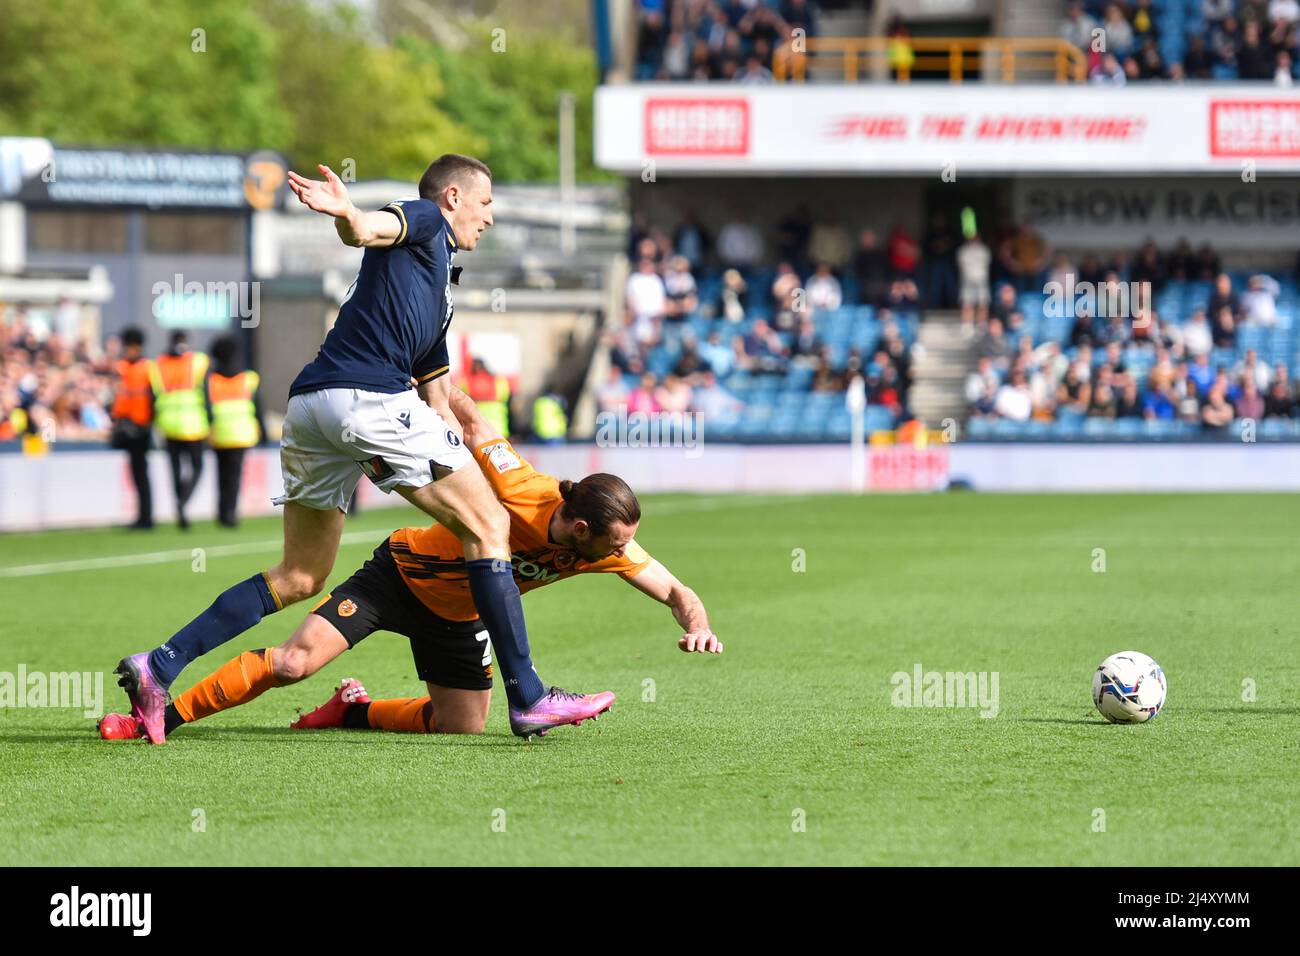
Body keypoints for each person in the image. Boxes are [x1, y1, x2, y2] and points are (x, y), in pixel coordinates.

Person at [115, 154, 602, 744]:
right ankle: (528, 696)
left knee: (300, 575)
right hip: (365, 400)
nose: (490, 218)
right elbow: (370, 229)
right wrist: (347, 212)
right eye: (486, 203)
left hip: (311, 407)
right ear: (453, 197)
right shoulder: (425, 220)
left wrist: (466, 447)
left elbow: (438, 397)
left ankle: (160, 664)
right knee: (490, 524)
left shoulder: (435, 291)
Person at [99, 391, 722, 742]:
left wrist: (694, 621)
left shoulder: (605, 547)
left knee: (461, 727)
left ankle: (349, 713)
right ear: (579, 528)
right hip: (395, 579)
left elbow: (676, 588)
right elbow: (475, 422)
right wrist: (429, 384)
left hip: (464, 618)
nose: (623, 554)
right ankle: (158, 716)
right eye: (615, 544)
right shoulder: (521, 487)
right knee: (292, 663)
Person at [151, 331, 209, 531]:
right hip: (193, 424)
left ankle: (180, 504)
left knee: (175, 469)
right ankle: (183, 501)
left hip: (168, 424)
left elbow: (153, 396)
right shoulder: (198, 362)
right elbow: (207, 394)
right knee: (197, 467)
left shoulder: (158, 365)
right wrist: (210, 420)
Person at [206, 335, 263, 529]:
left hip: (219, 433)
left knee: (221, 476)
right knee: (234, 476)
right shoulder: (248, 378)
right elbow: (258, 408)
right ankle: (230, 513)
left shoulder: (212, 380)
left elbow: (207, 408)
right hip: (241, 434)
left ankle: (222, 513)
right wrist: (262, 432)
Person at [108, 327, 155, 530]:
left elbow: (153, 397)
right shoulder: (122, 367)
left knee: (141, 473)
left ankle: (146, 517)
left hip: (142, 427)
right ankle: (142, 516)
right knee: (136, 473)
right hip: (126, 426)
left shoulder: (148, 368)